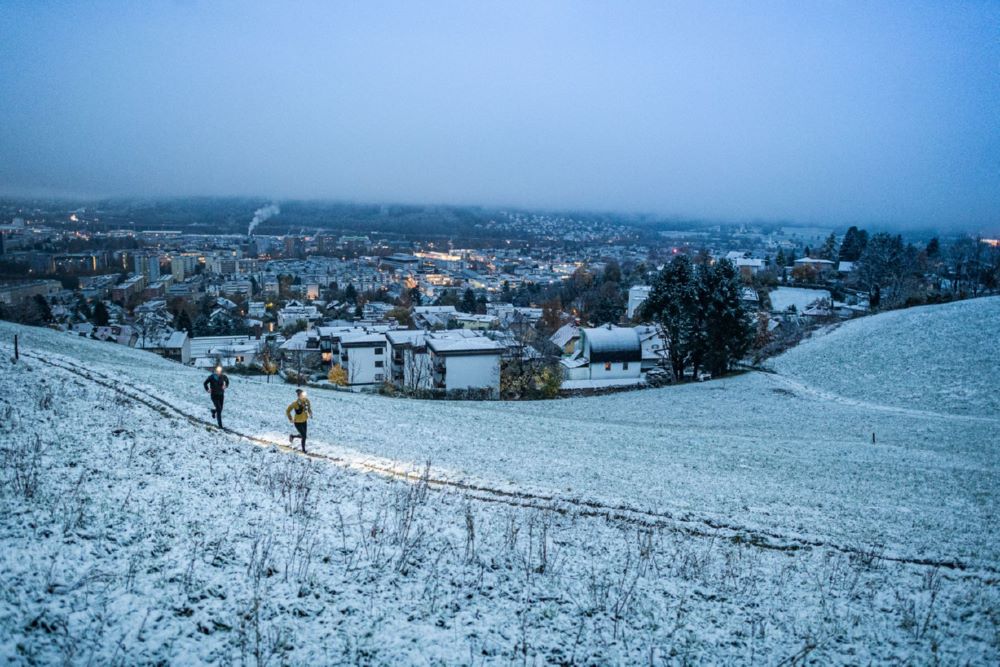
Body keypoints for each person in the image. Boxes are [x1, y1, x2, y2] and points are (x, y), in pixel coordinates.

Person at [286, 388, 313, 452]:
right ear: (298, 396)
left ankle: (292, 436)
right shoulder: (295, 403)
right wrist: (290, 418)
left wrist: (310, 413)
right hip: (297, 422)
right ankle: (303, 450)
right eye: (301, 395)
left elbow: (309, 408)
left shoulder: (307, 401)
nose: (303, 396)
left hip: (304, 421)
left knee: (303, 435)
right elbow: (288, 411)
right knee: (304, 436)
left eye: (303, 395)